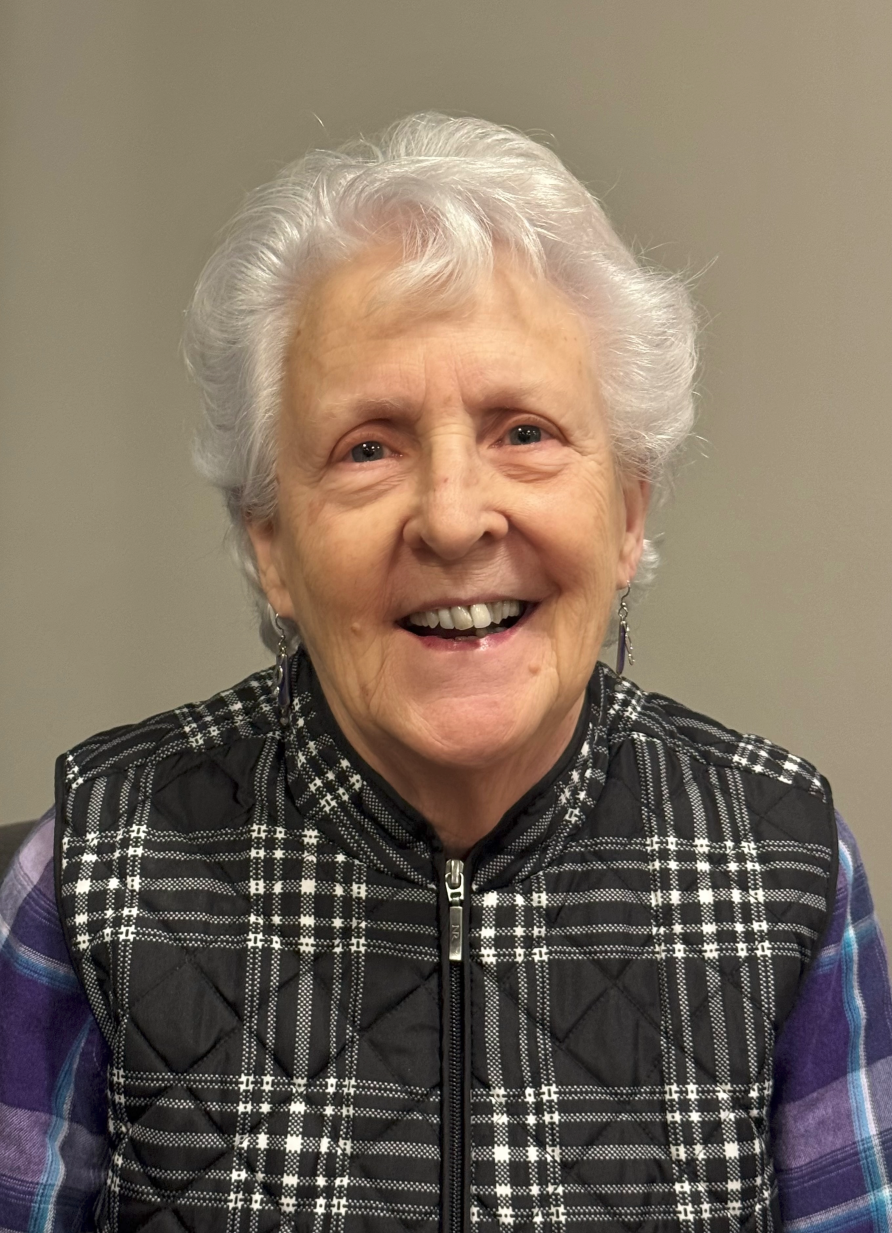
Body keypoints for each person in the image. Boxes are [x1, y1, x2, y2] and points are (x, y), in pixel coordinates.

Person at [1, 113, 890, 1233]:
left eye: (525, 432)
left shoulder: (784, 867)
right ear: (271, 543)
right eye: (368, 447)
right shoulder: (97, 867)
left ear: (627, 513)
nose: (456, 517)